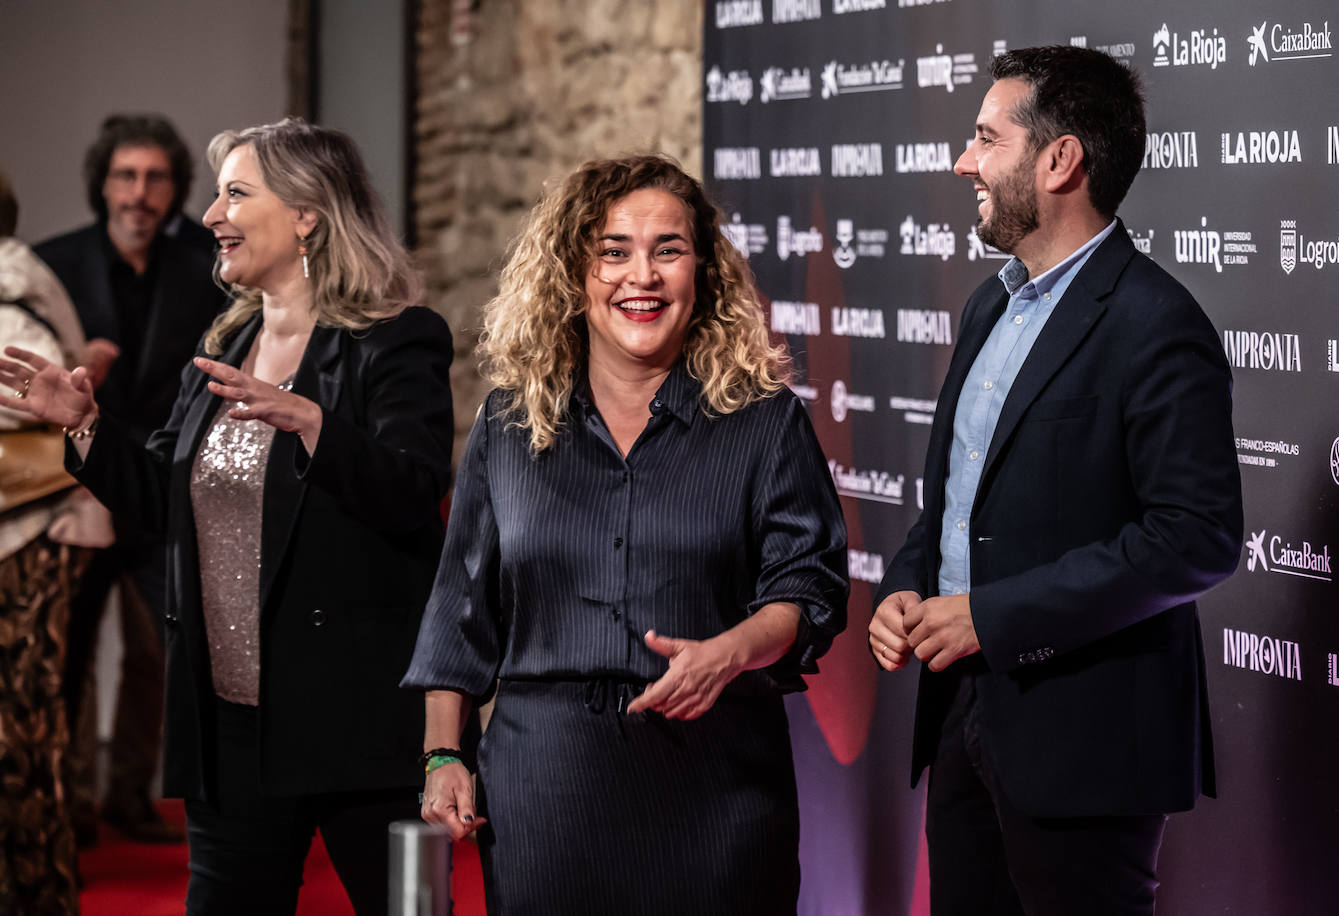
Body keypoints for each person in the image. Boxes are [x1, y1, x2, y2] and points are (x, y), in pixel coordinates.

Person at [1, 118, 454, 916]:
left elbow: (414, 493)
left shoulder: (397, 339)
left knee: (413, 909)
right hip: (231, 728)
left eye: (235, 193)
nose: (211, 214)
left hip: (362, 727)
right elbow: (158, 504)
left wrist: (312, 421)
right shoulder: (230, 337)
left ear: (307, 213)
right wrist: (84, 426)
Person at [403, 154, 848, 915]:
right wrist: (444, 754)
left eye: (667, 250)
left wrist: (728, 652)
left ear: (700, 273)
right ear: (573, 274)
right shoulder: (509, 427)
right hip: (548, 792)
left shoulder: (763, 422)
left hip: (718, 789)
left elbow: (808, 590)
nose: (640, 276)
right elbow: (458, 612)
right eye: (613, 251)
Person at [868, 46, 1244, 916]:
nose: (965, 161)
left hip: (1087, 741)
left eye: (985, 139)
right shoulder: (988, 305)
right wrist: (905, 586)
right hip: (964, 716)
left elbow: (1196, 536)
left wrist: (990, 618)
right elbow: (961, 504)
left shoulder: (1156, 323)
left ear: (1060, 159)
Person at [34, 114, 226, 844]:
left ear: (176, 190)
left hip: (158, 493)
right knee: (70, 653)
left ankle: (127, 794)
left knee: (161, 649)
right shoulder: (51, 265)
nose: (139, 193)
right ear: (101, 185)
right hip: (71, 490)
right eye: (125, 175)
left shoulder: (208, 269)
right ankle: (70, 802)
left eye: (155, 178)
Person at [0, 167, 112, 915]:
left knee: (20, 739)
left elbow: (37, 399)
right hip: (27, 533)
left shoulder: (9, 290)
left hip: (33, 539)